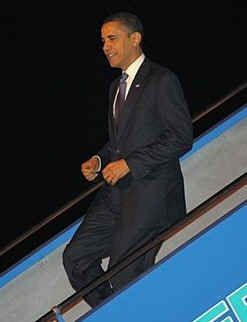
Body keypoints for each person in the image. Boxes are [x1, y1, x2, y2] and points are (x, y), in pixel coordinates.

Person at [63, 11, 193, 308]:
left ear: (135, 39)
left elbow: (181, 136)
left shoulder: (161, 80)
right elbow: (122, 141)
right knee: (76, 258)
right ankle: (118, 311)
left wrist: (131, 164)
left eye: (112, 38)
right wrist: (99, 159)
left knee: (123, 274)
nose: (105, 46)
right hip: (116, 194)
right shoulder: (115, 88)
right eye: (102, 41)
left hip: (152, 193)